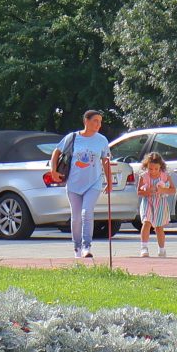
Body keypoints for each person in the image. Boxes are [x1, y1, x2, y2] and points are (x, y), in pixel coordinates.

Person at [50, 110, 113, 260]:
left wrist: (109, 181)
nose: (98, 124)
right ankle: (76, 247)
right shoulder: (72, 137)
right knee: (76, 217)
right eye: (95, 121)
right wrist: (53, 171)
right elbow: (56, 152)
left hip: (94, 183)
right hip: (73, 183)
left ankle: (87, 246)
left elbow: (106, 160)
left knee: (87, 213)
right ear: (86, 121)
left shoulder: (101, 140)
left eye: (100, 121)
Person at [136, 152, 174, 258]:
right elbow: (139, 192)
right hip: (148, 201)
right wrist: (148, 191)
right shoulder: (144, 176)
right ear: (146, 167)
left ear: (160, 167)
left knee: (159, 226)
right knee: (146, 222)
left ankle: (162, 249)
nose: (153, 171)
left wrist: (163, 189)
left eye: (156, 169)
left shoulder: (165, 176)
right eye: (150, 169)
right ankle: (144, 247)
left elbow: (173, 190)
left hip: (160, 202)